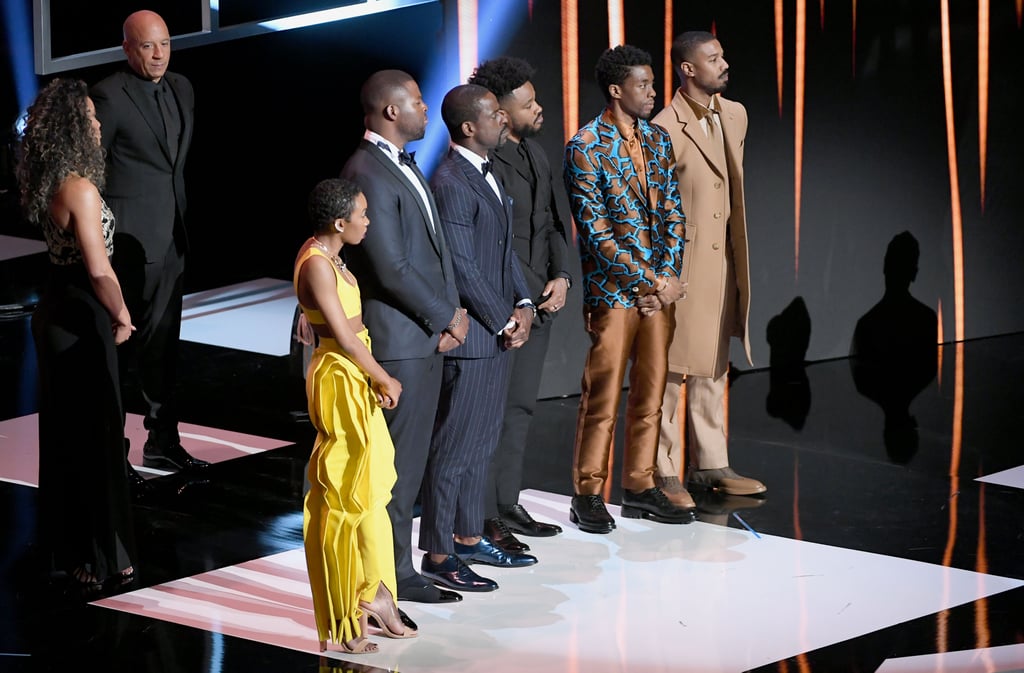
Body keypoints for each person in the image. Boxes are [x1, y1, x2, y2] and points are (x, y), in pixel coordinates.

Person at [340, 69, 467, 606]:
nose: (424, 108)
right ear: (391, 111)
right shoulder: (366, 170)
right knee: (394, 468)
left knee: (410, 462)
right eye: (416, 101)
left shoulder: (402, 164)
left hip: (423, 334)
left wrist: (452, 311)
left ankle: (400, 568)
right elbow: (390, 266)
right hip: (400, 341)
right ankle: (392, 575)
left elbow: (435, 252)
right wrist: (445, 316)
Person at [563, 44, 692, 534]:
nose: (653, 92)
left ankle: (639, 486)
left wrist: (667, 280)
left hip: (658, 292)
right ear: (617, 90)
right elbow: (594, 232)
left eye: (652, 84)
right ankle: (588, 493)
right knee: (603, 395)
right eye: (644, 85)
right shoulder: (585, 146)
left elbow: (675, 215)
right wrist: (648, 282)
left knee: (652, 391)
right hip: (614, 292)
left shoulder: (658, 140)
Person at [17, 78, 137, 592]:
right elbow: (98, 268)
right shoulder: (81, 189)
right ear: (71, 126)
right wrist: (123, 311)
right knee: (98, 435)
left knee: (71, 434)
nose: (96, 123)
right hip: (83, 316)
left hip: (55, 312)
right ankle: (103, 554)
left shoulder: (50, 179)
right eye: (88, 117)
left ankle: (79, 550)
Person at [419, 84, 538, 592]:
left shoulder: (486, 173)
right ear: (469, 126)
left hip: (496, 334)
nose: (503, 121)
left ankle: (468, 538)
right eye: (493, 114)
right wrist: (501, 319)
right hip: (473, 338)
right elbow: (463, 264)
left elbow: (502, 249)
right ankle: (440, 553)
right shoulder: (449, 180)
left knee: (480, 445)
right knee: (453, 449)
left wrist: (525, 303)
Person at [294, 178, 417, 653]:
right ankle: (346, 619)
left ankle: (378, 594)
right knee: (345, 495)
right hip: (342, 377)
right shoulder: (318, 264)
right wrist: (383, 377)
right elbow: (343, 338)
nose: (369, 221)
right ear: (339, 222)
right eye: (362, 214)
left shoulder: (326, 256)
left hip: (353, 369)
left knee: (373, 485)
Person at [651, 31, 766, 506]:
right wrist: (660, 273)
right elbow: (655, 206)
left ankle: (712, 462)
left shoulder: (734, 114)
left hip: (724, 259)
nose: (724, 63)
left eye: (723, 54)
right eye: (713, 58)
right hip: (684, 264)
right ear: (687, 68)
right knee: (673, 368)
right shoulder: (664, 126)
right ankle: (662, 469)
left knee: (715, 360)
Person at [91, 10, 207, 479]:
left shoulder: (182, 87)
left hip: (172, 238)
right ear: (127, 49)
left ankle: (163, 442)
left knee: (164, 348)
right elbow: (91, 174)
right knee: (122, 351)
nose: (158, 54)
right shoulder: (108, 97)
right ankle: (112, 454)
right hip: (127, 247)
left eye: (164, 44)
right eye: (147, 46)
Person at [467, 57, 571, 553]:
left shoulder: (537, 154)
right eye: (528, 103)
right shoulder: (483, 165)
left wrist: (564, 276)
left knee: (522, 409)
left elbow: (552, 222)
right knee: (493, 413)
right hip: (504, 308)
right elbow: (496, 243)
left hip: (540, 302)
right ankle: (483, 513)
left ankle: (507, 502)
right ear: (501, 112)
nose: (539, 108)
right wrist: (527, 295)